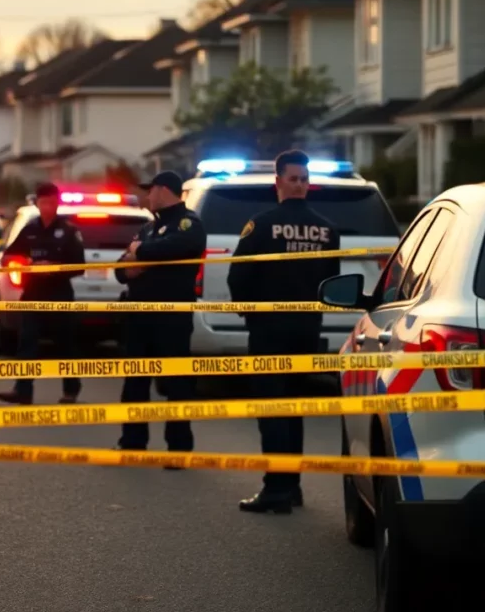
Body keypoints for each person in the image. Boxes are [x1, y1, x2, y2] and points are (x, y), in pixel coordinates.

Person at [227, 149, 340, 514]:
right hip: (307, 330)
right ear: (279, 181)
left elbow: (237, 276)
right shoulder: (326, 229)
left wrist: (251, 315)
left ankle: (276, 489)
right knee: (293, 409)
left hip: (270, 331)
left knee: (273, 410)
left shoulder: (260, 225)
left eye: (304, 179)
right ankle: (292, 486)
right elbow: (331, 283)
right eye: (294, 178)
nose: (299, 184)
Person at [114, 171, 206, 463]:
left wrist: (141, 254)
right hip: (140, 317)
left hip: (171, 319)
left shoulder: (188, 223)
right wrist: (137, 260)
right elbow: (120, 268)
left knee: (176, 384)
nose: (146, 196)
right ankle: (132, 442)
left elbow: (177, 247)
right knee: (135, 383)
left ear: (164, 190)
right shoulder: (146, 228)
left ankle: (178, 449)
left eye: (150, 190)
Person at [0, 182, 86, 406]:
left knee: (66, 346)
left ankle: (71, 391)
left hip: (59, 295)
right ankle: (23, 391)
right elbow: (8, 257)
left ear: (58, 203)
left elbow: (79, 266)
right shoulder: (30, 229)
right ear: (37, 203)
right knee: (27, 344)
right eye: (44, 202)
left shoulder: (68, 231)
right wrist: (22, 263)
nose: (48, 206)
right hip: (33, 294)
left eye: (52, 202)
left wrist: (53, 267)